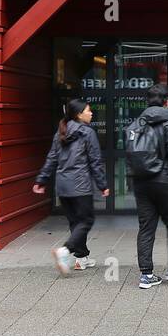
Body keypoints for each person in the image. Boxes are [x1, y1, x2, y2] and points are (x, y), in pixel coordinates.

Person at [127, 85, 168, 289]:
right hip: (165, 180)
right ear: (166, 102)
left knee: (146, 227)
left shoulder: (135, 124)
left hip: (141, 182)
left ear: (147, 102)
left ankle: (146, 275)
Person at [33, 98, 110, 275]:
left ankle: (81, 258)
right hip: (80, 185)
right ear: (78, 114)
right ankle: (65, 251)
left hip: (63, 186)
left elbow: (52, 158)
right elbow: (95, 162)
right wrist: (103, 184)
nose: (91, 113)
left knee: (75, 222)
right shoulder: (87, 133)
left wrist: (41, 180)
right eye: (88, 110)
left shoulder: (61, 131)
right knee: (86, 221)